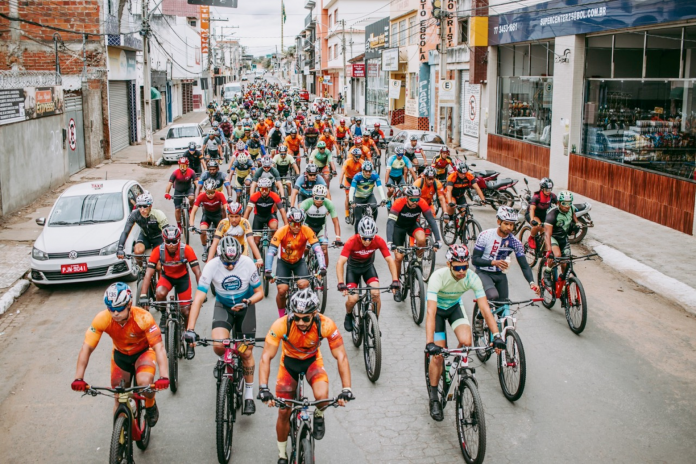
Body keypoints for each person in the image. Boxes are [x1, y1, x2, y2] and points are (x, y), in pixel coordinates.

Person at [258, 289, 354, 463]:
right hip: (289, 365)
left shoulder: (326, 324)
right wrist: (263, 388)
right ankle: (282, 454)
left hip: (312, 362)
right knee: (284, 411)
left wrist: (346, 389)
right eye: (297, 317)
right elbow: (266, 356)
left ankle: (318, 414)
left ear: (314, 314)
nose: (300, 322)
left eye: (305, 318)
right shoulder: (281, 324)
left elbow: (341, 356)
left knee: (322, 398)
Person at [424, 245, 506, 421]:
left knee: (466, 343)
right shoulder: (438, 277)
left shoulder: (472, 277)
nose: (462, 271)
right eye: (457, 267)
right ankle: (434, 398)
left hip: (454, 307)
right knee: (438, 355)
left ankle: (453, 366)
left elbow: (484, 308)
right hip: (437, 311)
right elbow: (430, 312)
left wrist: (497, 335)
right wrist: (429, 342)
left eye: (465, 267)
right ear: (448, 264)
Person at [184, 237, 264, 415]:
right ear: (220, 257)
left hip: (245, 307)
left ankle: (249, 395)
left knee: (246, 351)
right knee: (219, 345)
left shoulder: (247, 263)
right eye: (226, 263)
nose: (230, 267)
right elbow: (198, 299)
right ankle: (224, 359)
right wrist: (190, 329)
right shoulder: (212, 265)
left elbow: (260, 293)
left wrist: (248, 302)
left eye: (233, 263)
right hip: (224, 307)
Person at [71, 283, 170, 426]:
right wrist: (78, 378)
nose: (115, 313)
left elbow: (159, 348)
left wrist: (164, 376)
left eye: (119, 308)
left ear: (129, 304)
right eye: (111, 309)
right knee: (119, 396)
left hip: (143, 353)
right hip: (121, 355)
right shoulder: (102, 318)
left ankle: (150, 404)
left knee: (145, 384)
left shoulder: (144, 318)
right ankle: (119, 439)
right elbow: (86, 348)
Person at [472, 206, 540, 331]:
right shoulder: (485, 235)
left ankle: (502, 338)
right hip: (483, 272)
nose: (509, 228)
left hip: (500, 274)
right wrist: (493, 262)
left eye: (512, 225)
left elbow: (524, 265)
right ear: (499, 221)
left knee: (503, 307)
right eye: (506, 224)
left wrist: (531, 283)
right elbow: (475, 260)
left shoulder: (515, 242)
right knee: (492, 296)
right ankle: (480, 316)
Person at [336, 216, 399, 331]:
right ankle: (349, 314)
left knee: (376, 294)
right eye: (364, 238)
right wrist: (340, 282)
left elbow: (390, 260)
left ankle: (375, 324)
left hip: (368, 268)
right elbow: (340, 262)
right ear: (359, 234)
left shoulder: (378, 240)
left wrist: (395, 280)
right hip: (353, 269)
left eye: (370, 238)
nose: (367, 241)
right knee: (352, 299)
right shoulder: (351, 241)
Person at [264, 208, 326, 318]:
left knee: (304, 285)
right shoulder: (281, 231)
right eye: (293, 223)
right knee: (282, 290)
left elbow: (317, 249)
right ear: (288, 222)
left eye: (299, 223)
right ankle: (282, 316)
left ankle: (302, 310)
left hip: (298, 261)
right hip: (284, 262)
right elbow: (271, 252)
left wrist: (322, 266)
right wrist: (268, 270)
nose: (297, 226)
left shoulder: (307, 230)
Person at [141, 226, 202, 334]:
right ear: (164, 240)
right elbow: (148, 274)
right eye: (168, 241)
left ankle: (188, 333)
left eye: (174, 241)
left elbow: (197, 271)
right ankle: (164, 314)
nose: (171, 245)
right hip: (167, 277)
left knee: (186, 311)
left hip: (182, 279)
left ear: (179, 240)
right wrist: (143, 295)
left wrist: (201, 292)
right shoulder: (158, 251)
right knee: (159, 294)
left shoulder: (186, 249)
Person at [386, 185, 442, 288]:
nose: (415, 202)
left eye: (417, 199)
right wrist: (389, 242)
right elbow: (390, 223)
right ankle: (396, 283)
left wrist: (438, 239)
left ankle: (418, 262)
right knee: (399, 257)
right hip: (398, 228)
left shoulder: (421, 203)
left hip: (412, 225)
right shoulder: (398, 203)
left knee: (421, 239)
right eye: (412, 200)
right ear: (406, 197)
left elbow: (431, 221)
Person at [542, 191, 581, 289]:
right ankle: (547, 272)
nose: (567, 206)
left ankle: (562, 286)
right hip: (553, 237)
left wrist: (577, 224)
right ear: (558, 203)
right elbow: (547, 234)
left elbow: (574, 217)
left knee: (566, 264)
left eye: (569, 203)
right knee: (557, 255)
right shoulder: (552, 214)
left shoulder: (571, 209)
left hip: (564, 238)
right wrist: (549, 250)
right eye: (564, 203)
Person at [209, 201, 263, 266]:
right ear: (228, 215)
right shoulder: (223, 223)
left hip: (241, 248)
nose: (234, 219)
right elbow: (215, 242)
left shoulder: (245, 223)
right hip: (227, 248)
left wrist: (259, 259)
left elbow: (251, 241)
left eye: (236, 216)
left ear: (241, 215)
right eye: (231, 216)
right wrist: (208, 262)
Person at [299, 184, 341, 266]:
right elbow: (298, 217)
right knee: (306, 249)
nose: (319, 200)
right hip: (308, 228)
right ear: (313, 196)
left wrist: (338, 238)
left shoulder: (329, 204)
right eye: (316, 198)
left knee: (324, 250)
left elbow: (335, 221)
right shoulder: (306, 203)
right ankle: (302, 265)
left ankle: (323, 271)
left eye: (322, 198)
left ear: (325, 197)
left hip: (321, 229)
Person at [117, 192, 168, 260]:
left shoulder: (158, 214)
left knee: (157, 263)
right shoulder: (134, 214)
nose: (142, 209)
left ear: (150, 206)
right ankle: (141, 268)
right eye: (139, 206)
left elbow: (167, 232)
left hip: (158, 237)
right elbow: (125, 232)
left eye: (145, 206)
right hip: (145, 236)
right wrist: (120, 248)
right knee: (137, 251)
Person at [244, 177, 288, 248]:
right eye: (262, 189)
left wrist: (286, 225)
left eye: (266, 189)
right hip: (258, 217)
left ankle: (273, 242)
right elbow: (248, 211)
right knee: (256, 242)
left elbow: (282, 211)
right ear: (259, 189)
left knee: (274, 227)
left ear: (270, 189)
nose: (264, 191)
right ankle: (256, 259)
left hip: (270, 216)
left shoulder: (274, 196)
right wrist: (243, 224)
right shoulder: (254, 196)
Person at [189, 178, 228, 256]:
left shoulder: (220, 195)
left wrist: (227, 222)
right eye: (208, 192)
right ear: (205, 191)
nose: (210, 194)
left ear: (215, 190)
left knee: (222, 233)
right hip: (207, 216)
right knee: (203, 231)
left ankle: (221, 248)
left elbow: (227, 208)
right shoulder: (201, 196)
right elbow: (193, 211)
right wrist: (192, 225)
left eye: (212, 192)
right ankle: (205, 250)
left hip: (217, 216)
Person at [348, 161, 386, 229]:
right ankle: (356, 236)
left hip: (369, 196)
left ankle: (374, 224)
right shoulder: (357, 176)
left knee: (375, 207)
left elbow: (380, 187)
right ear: (362, 170)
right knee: (358, 219)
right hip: (358, 197)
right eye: (366, 171)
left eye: (369, 171)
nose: (368, 173)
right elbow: (352, 189)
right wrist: (351, 200)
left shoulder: (375, 175)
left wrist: (383, 198)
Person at [165, 157, 196, 229]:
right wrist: (167, 193)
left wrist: (199, 192)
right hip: (178, 190)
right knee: (177, 209)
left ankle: (191, 208)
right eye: (181, 166)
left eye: (184, 166)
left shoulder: (191, 172)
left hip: (188, 189)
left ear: (187, 166)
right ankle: (179, 224)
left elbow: (196, 183)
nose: (182, 168)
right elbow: (169, 183)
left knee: (191, 198)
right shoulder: (175, 173)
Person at [527, 177, 557, 247]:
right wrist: (532, 219)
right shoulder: (537, 197)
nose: (548, 191)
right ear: (542, 189)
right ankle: (531, 237)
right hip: (533, 214)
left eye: (550, 189)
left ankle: (541, 247)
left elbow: (558, 205)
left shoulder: (552, 196)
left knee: (545, 232)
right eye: (546, 189)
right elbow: (532, 209)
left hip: (543, 214)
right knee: (538, 226)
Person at [339, 148, 364, 220]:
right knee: (347, 196)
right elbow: (342, 173)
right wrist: (340, 183)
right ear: (352, 156)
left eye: (359, 156)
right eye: (356, 156)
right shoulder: (347, 162)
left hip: (357, 180)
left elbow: (366, 173)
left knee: (360, 195)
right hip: (348, 180)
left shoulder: (362, 162)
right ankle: (347, 214)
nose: (358, 158)